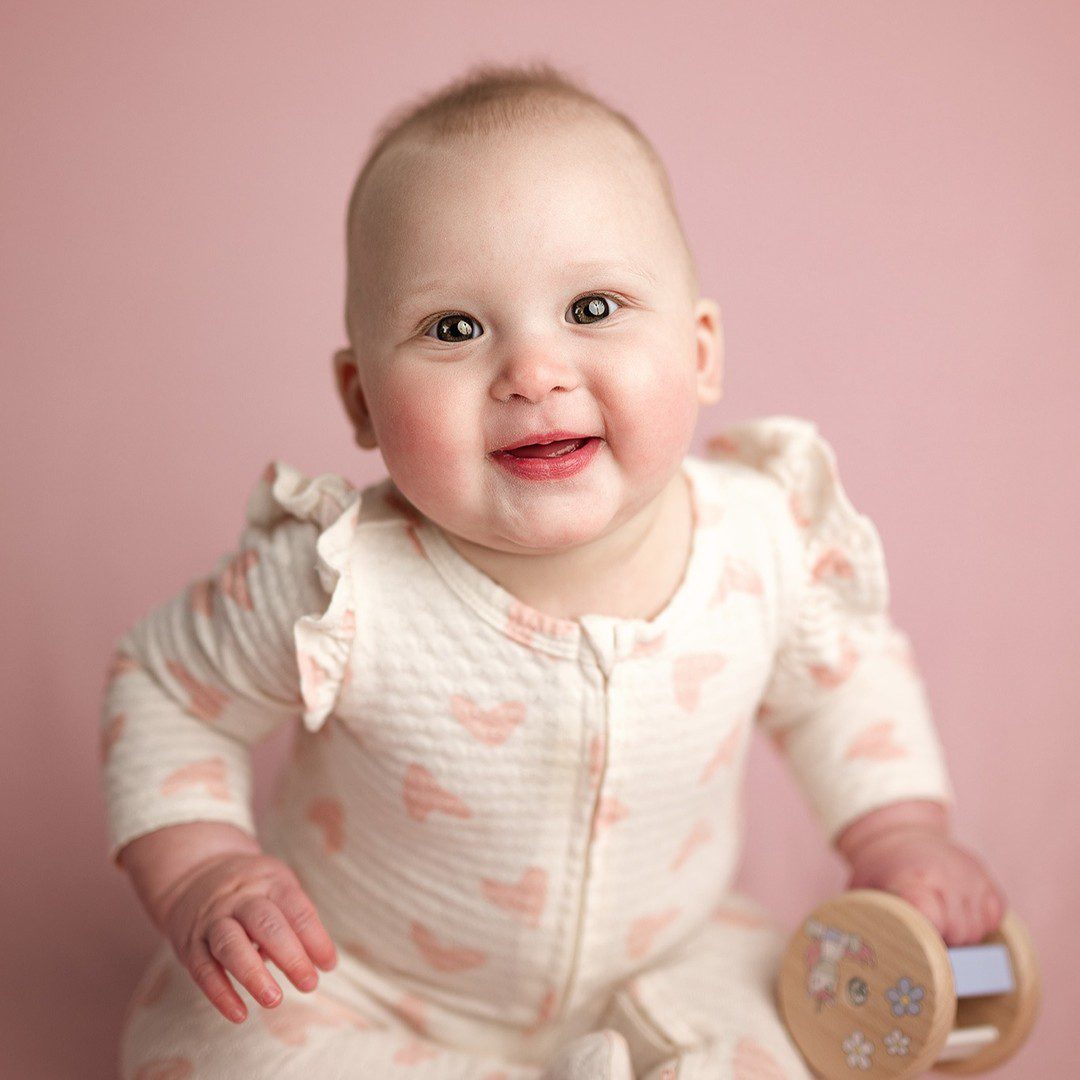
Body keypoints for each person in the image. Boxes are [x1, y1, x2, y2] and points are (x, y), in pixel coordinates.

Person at [101, 61, 1007, 1080]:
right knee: (207, 1052)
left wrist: (899, 831)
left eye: (591, 308)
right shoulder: (340, 583)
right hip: (365, 981)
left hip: (667, 957)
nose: (533, 371)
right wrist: (204, 870)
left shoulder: (764, 544)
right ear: (360, 400)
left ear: (701, 350)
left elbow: (847, 681)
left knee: (782, 1035)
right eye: (455, 328)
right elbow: (166, 685)